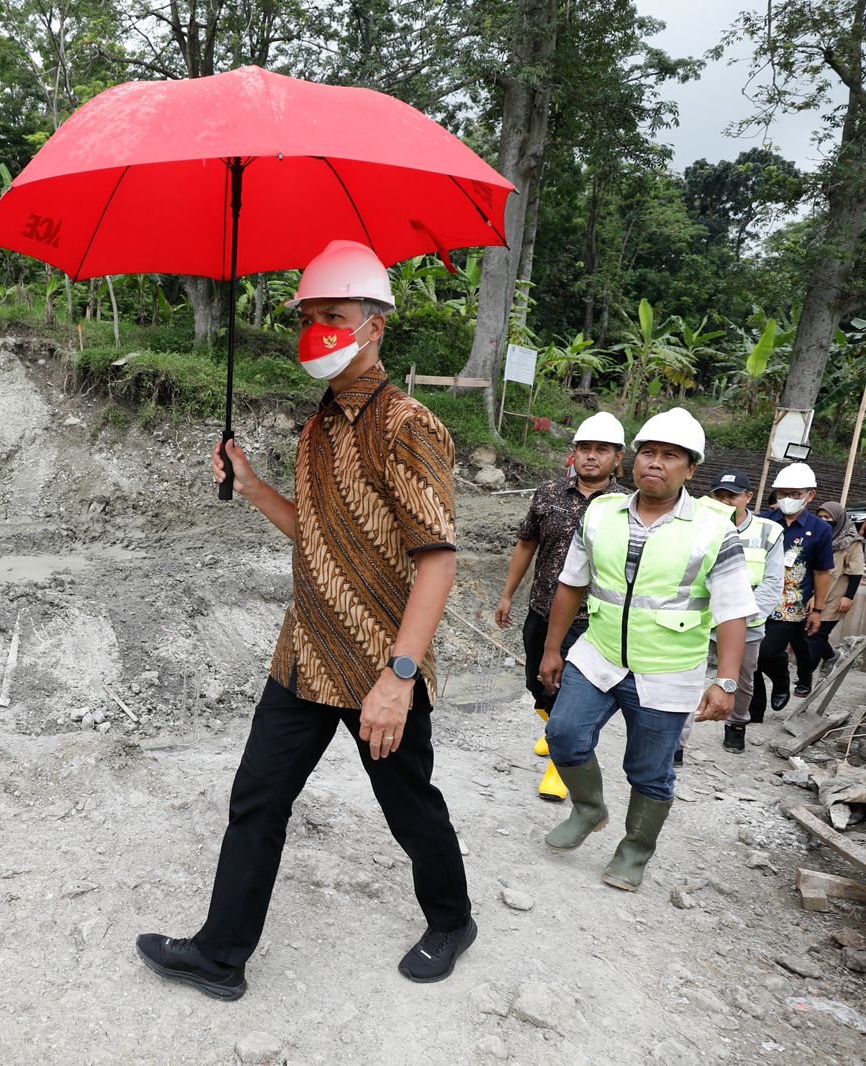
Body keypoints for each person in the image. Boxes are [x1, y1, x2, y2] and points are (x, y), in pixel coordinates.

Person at [135, 239, 473, 1000]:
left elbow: (438, 559)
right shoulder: (318, 428)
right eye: (310, 316)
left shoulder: (408, 424)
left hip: (380, 664)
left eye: (336, 315)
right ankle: (221, 956)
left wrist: (400, 676)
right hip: (304, 653)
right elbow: (318, 535)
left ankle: (452, 919)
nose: (318, 328)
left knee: (408, 803)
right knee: (258, 795)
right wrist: (253, 487)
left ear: (376, 325)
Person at [538, 408, 753, 891]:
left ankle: (634, 850)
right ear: (633, 460)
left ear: (691, 469)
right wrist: (553, 649)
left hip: (668, 668)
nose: (655, 463)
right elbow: (571, 584)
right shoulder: (601, 512)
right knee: (565, 735)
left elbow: (734, 610)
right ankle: (590, 809)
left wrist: (726, 681)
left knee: (650, 771)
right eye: (648, 453)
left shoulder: (715, 529)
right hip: (598, 655)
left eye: (670, 456)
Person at [495, 412, 625, 802]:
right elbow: (526, 544)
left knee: (569, 691)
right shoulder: (548, 494)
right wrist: (507, 594)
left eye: (601, 450)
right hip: (542, 607)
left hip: (591, 618)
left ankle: (560, 766)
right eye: (584, 448)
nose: (591, 456)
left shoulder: (625, 505)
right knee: (537, 681)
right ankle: (553, 727)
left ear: (618, 458)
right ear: (574, 454)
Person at [698, 470, 783, 754]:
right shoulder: (698, 525)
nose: (725, 501)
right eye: (719, 495)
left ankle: (736, 725)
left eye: (732, 496)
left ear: (748, 496)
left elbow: (773, 581)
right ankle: (679, 737)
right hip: (700, 618)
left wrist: (742, 616)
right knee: (688, 675)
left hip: (746, 622)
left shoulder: (768, 532)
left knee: (741, 678)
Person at [755, 464, 833, 712]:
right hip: (757, 598)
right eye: (782, 493)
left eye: (795, 494)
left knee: (766, 652)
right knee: (750, 656)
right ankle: (752, 712)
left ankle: (781, 679)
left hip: (791, 603)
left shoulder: (820, 529)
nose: (787, 499)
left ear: (810, 495)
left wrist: (818, 609)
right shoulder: (763, 520)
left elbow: (821, 571)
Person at [810, 500, 863, 676]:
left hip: (835, 594)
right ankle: (831, 656)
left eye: (828, 517)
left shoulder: (852, 541)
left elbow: (855, 572)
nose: (824, 520)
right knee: (807, 633)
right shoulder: (816, 536)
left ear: (838, 518)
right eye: (820, 517)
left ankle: (806, 675)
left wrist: (848, 597)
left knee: (818, 634)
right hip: (812, 592)